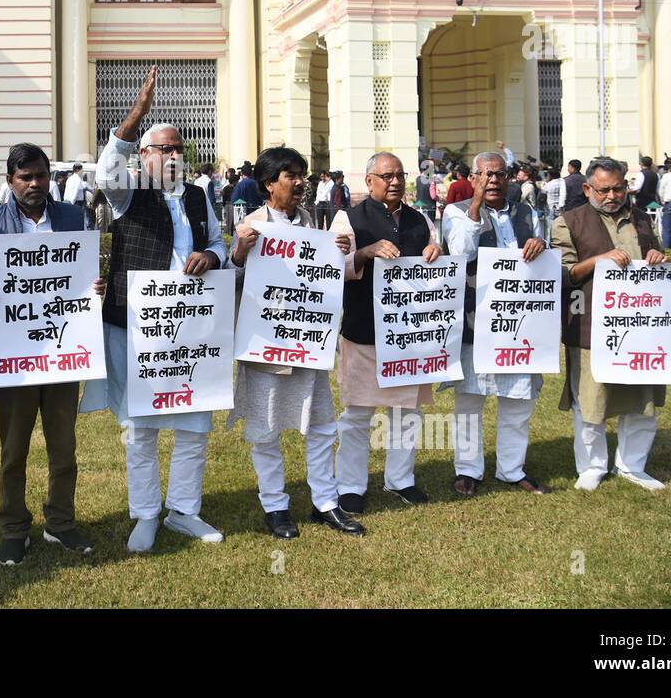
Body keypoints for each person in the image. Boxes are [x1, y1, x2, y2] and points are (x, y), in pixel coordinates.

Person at [84, 65, 228, 553]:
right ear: (142, 155)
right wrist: (136, 115)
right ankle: (145, 513)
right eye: (163, 148)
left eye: (179, 148)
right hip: (133, 324)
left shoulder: (196, 195)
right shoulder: (126, 193)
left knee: (193, 422)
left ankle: (183, 510)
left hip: (191, 329)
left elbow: (218, 245)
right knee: (139, 426)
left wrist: (210, 255)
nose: (173, 155)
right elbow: (104, 170)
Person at [0, 143, 100, 565]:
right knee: (14, 448)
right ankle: (13, 527)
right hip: (16, 354)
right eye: (24, 177)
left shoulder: (72, 217)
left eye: (40, 176)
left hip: (65, 351)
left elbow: (83, 273)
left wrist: (93, 287)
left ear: (50, 177)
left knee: (64, 445)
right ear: (10, 180)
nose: (34, 184)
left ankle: (60, 522)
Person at [229, 146, 364, 539]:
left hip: (306, 344)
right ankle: (275, 507)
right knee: (265, 430)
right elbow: (232, 276)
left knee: (322, 426)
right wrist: (240, 252)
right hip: (264, 346)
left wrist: (341, 255)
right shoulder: (250, 226)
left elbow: (326, 278)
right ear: (269, 184)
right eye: (290, 175)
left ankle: (326, 502)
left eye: (302, 174)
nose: (300, 182)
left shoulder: (313, 225)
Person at [329, 152, 443, 514]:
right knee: (358, 413)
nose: (395, 182)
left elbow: (438, 255)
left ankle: (401, 479)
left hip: (410, 336)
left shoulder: (420, 219)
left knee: (406, 412)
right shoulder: (348, 218)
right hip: (364, 330)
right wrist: (365, 252)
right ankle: (349, 486)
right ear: (369, 181)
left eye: (399, 175)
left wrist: (434, 250)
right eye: (387, 176)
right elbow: (333, 267)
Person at [552, 157, 669, 492]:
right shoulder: (568, 222)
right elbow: (562, 274)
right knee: (591, 400)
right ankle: (591, 466)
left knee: (642, 398)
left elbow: (656, 256)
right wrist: (597, 260)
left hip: (642, 328)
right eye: (603, 190)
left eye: (618, 188)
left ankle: (633, 466)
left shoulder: (642, 219)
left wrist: (658, 259)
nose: (612, 195)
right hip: (590, 325)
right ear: (588, 188)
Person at [440, 151, 551, 498]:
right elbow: (459, 252)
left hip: (518, 323)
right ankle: (468, 469)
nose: (493, 180)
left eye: (499, 174)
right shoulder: (455, 213)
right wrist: (474, 207)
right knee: (470, 399)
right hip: (475, 320)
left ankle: (511, 468)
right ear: (473, 178)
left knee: (518, 399)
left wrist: (540, 243)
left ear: (508, 178)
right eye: (485, 174)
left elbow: (543, 252)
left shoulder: (526, 212)